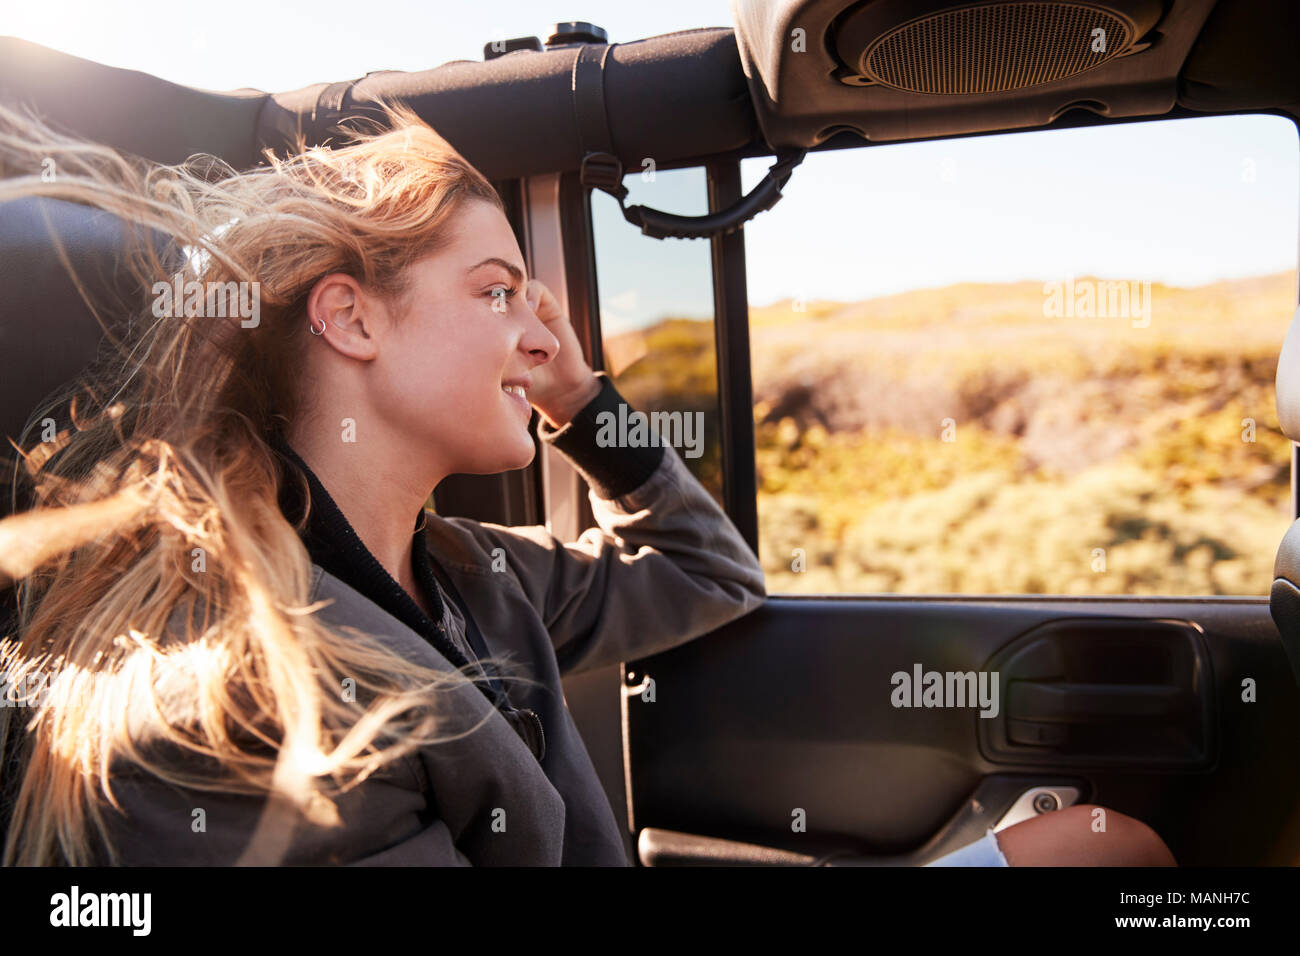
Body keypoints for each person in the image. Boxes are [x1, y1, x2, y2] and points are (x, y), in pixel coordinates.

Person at [0, 100, 1173, 867]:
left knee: (1104, 845)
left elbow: (709, 572)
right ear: (350, 317)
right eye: (498, 290)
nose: (541, 331)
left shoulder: (473, 575)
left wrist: (580, 403)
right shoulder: (239, 707)